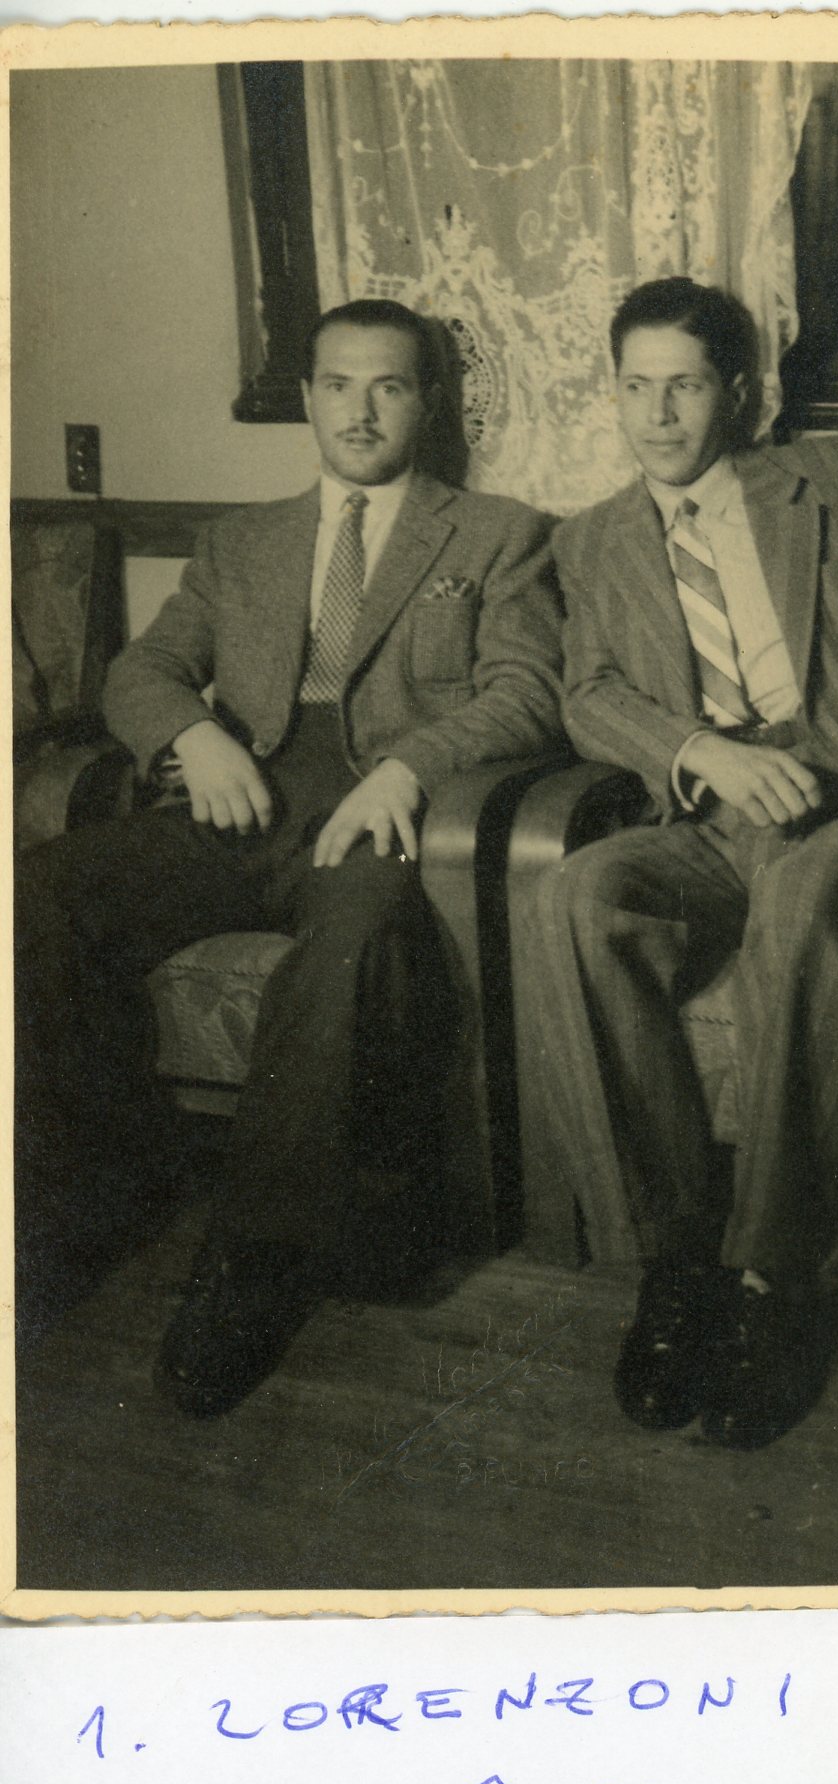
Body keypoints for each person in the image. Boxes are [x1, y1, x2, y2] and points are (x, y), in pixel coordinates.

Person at [16, 298, 564, 1418]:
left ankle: (253, 1263)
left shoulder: (497, 533)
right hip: (243, 794)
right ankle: (94, 1191)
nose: (361, 411)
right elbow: (142, 670)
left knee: (350, 942)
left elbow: (525, 692)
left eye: (389, 386)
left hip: (386, 811)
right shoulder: (242, 539)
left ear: (428, 402)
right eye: (338, 385)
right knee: (39, 893)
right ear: (307, 397)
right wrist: (193, 734)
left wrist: (409, 767)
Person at [532, 277, 838, 1450]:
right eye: (636, 387)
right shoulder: (591, 541)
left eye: (686, 386)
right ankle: (674, 1262)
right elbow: (589, 693)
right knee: (578, 895)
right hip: (710, 814)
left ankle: (770, 1281)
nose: (658, 415)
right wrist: (701, 751)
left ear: (737, 394)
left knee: (805, 890)